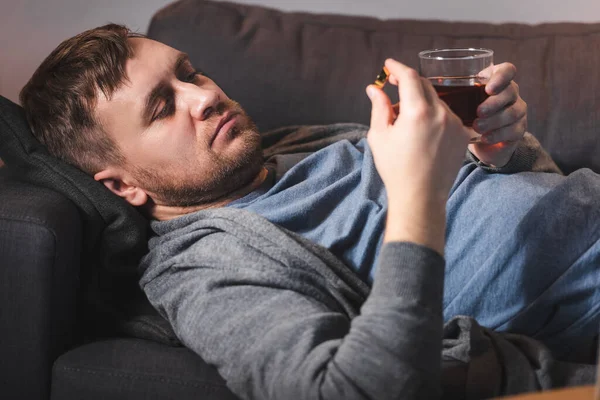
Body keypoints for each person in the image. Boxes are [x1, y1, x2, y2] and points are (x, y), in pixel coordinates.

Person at [19, 25, 598, 399]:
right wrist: (419, 187)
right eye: (163, 107)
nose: (205, 96)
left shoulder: (297, 144)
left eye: (189, 72)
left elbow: (539, 200)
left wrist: (500, 150)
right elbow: (350, 391)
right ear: (122, 186)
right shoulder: (203, 267)